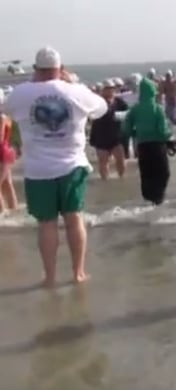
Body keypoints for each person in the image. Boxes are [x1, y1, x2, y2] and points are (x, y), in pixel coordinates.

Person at [4, 47, 108, 287]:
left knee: (46, 224)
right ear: (61, 69)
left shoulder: (21, 93)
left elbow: (4, 108)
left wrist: (32, 84)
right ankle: (78, 272)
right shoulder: (76, 91)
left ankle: (50, 276)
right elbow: (101, 108)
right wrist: (71, 82)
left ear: (35, 69)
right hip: (72, 166)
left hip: (38, 170)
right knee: (74, 220)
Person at [123, 78, 173, 205]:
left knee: (146, 175)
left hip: (142, 147)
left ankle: (148, 201)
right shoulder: (158, 109)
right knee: (163, 173)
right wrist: (170, 135)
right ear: (153, 92)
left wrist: (135, 133)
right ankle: (159, 199)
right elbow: (163, 131)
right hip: (157, 147)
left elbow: (125, 129)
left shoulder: (135, 109)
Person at [89, 79, 129, 179]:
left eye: (112, 89)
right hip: (101, 136)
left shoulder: (119, 102)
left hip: (116, 136)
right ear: (102, 90)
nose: (110, 91)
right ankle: (105, 182)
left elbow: (128, 114)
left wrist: (119, 116)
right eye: (107, 89)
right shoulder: (98, 102)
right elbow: (92, 116)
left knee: (120, 160)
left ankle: (122, 179)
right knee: (103, 162)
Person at [0, 109, 18, 213]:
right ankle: (13, 209)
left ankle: (1, 212)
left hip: (2, 153)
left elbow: (0, 137)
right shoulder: (6, 116)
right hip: (6, 152)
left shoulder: (2, 118)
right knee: (7, 183)